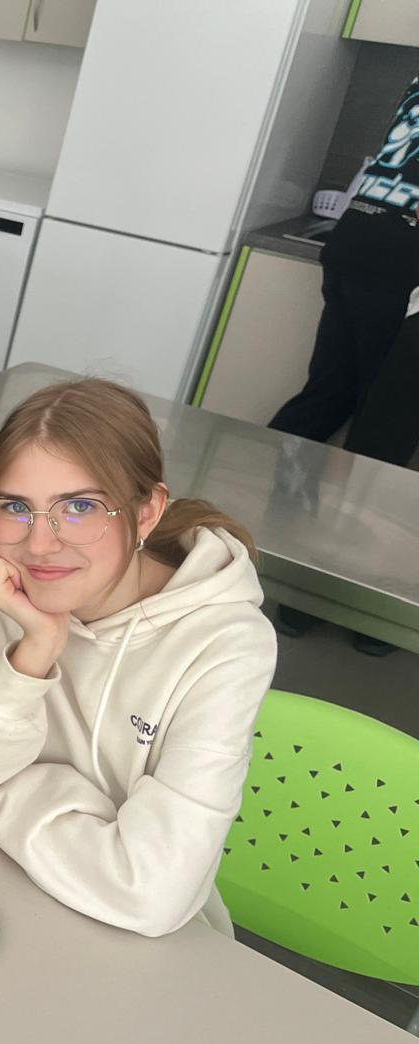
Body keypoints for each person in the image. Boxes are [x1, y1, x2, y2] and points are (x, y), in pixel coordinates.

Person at [0, 379, 278, 938]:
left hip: (126, 945)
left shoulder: (227, 643)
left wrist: (1, 789)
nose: (39, 544)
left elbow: (150, 894)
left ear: (147, 512)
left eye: (81, 507)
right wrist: (29, 659)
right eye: (15, 506)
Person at [269, 71, 419, 654]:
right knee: (382, 434)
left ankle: (275, 556)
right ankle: (352, 601)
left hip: (358, 239)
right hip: (404, 262)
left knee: (326, 397)